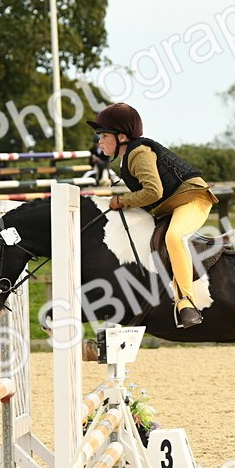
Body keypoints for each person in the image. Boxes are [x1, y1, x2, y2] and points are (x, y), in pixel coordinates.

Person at [89, 103, 216, 328]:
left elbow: (153, 191)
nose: (99, 141)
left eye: (103, 135)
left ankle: (186, 303)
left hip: (192, 200)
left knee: (174, 237)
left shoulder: (138, 153)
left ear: (121, 136)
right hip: (171, 205)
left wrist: (122, 201)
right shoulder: (127, 155)